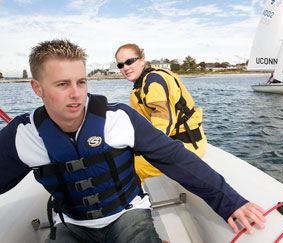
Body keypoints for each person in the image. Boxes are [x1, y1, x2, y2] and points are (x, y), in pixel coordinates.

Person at [0, 39, 265, 243]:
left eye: (81, 82)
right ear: (37, 88)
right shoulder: (22, 136)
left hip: (127, 214)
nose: (76, 94)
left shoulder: (119, 118)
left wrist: (231, 201)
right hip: (71, 224)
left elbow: (175, 158)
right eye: (62, 84)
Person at [115, 44, 207, 184]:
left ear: (142, 60)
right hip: (175, 142)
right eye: (121, 65)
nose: (125, 68)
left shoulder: (153, 82)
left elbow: (162, 121)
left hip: (186, 146)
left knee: (126, 168)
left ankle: (135, 203)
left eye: (129, 61)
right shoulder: (143, 83)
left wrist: (142, 149)